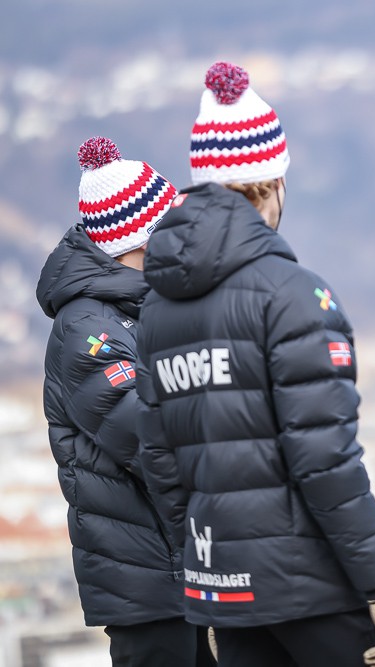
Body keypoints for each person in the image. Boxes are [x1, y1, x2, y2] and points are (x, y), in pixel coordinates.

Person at [134, 61, 375, 667]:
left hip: (223, 586)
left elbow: (161, 461)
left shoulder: (157, 307)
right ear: (272, 184)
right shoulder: (293, 295)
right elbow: (325, 460)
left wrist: (204, 582)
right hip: (311, 589)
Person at [37, 137, 215, 666]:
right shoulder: (87, 328)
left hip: (179, 564)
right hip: (148, 578)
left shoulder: (140, 310)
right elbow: (153, 439)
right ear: (143, 240)